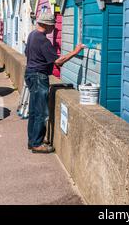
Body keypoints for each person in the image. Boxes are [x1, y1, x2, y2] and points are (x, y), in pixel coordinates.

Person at [25, 13, 84, 153]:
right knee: (41, 112)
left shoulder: (32, 35)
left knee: (33, 110)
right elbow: (58, 61)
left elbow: (28, 53)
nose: (53, 28)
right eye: (52, 25)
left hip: (30, 74)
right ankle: (36, 144)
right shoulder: (43, 40)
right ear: (46, 24)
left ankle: (32, 140)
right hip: (39, 76)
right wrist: (75, 51)